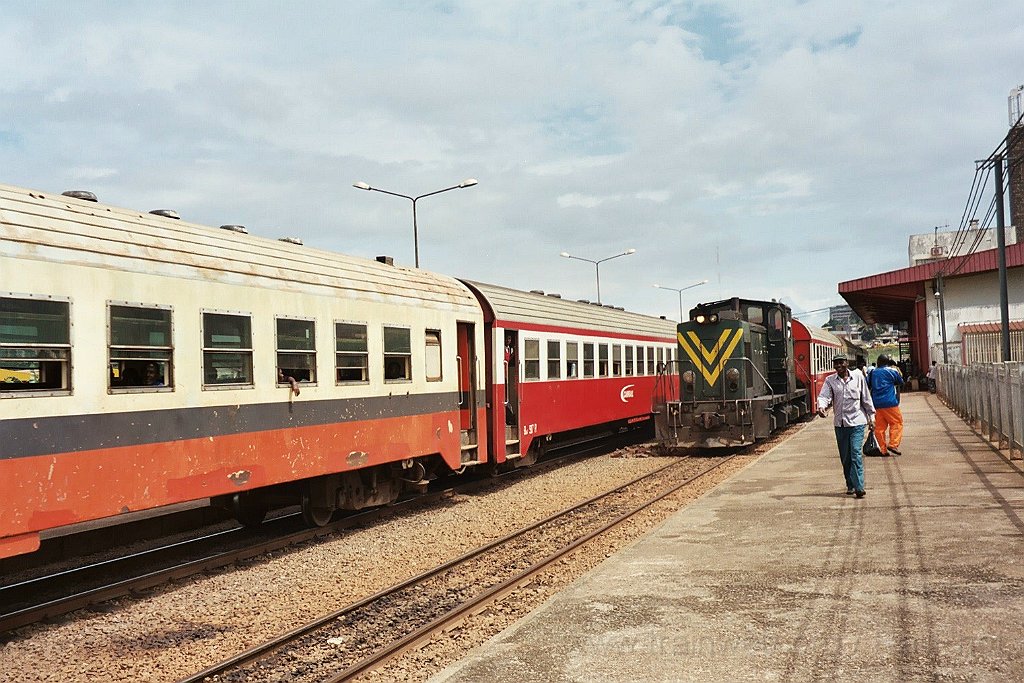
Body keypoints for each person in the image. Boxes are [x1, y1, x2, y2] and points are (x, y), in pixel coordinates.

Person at [816, 354, 876, 498]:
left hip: (857, 422)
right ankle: (850, 484)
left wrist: (871, 418)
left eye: (841, 363)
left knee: (855, 453)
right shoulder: (830, 381)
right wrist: (821, 407)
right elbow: (824, 396)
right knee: (846, 457)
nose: (838, 366)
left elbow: (866, 398)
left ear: (847, 363)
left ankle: (859, 487)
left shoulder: (858, 377)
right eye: (835, 364)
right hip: (840, 424)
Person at [868, 355, 903, 456]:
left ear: (878, 362)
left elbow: (867, 384)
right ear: (888, 363)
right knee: (897, 423)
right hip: (890, 402)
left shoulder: (872, 373)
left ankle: (883, 449)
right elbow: (900, 382)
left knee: (879, 428)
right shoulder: (892, 371)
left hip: (876, 404)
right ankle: (893, 444)